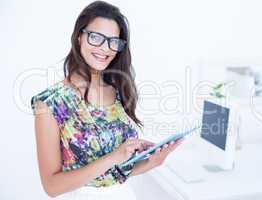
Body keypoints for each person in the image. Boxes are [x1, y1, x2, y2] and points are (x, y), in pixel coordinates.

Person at [31, 1, 184, 199]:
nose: (106, 49)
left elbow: (113, 174)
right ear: (79, 37)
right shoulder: (51, 103)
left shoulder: (118, 91)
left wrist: (150, 162)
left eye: (114, 41)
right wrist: (115, 156)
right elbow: (51, 186)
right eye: (96, 38)